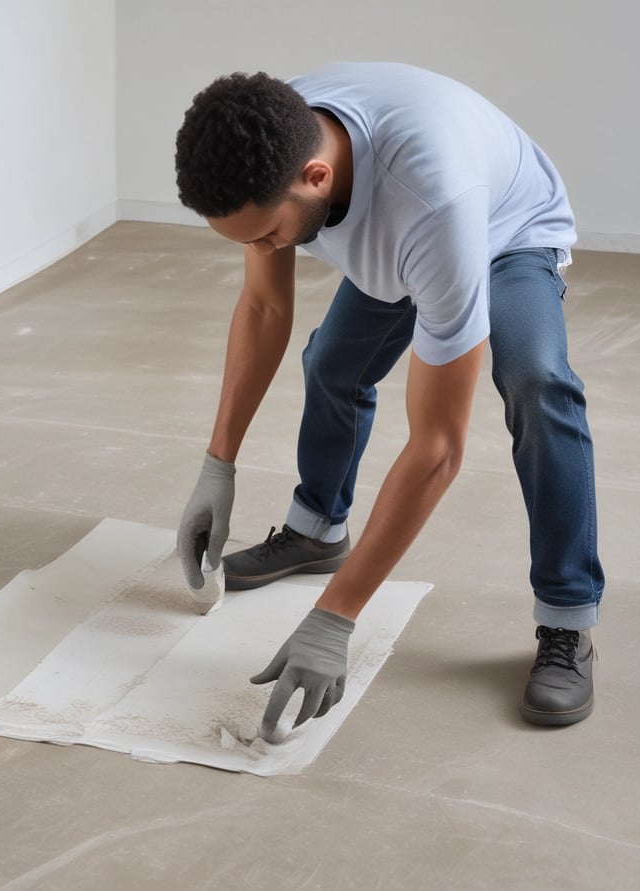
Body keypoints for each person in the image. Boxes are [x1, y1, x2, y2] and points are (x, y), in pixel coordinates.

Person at [174, 62, 604, 743]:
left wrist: (336, 617)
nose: (260, 252)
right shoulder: (274, 133)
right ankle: (317, 530)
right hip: (400, 235)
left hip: (502, 229)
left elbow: (437, 447)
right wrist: (217, 464)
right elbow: (263, 304)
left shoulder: (433, 203)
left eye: (266, 236)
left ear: (315, 178)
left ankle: (567, 619)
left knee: (538, 381)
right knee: (332, 361)